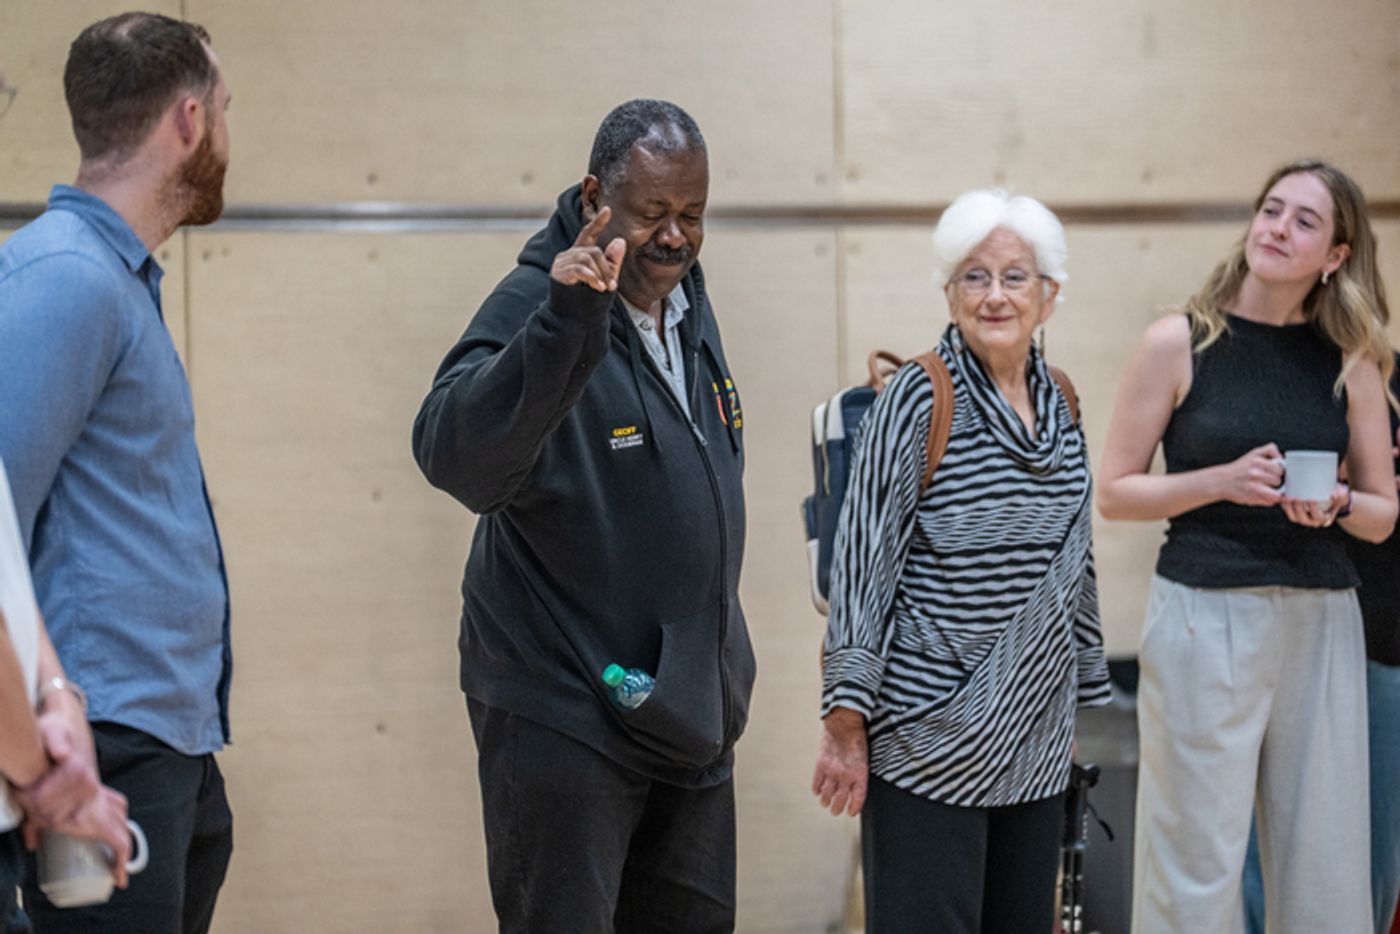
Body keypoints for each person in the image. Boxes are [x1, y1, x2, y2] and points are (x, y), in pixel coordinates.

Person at [412, 99, 755, 933]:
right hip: (565, 705)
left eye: (693, 215)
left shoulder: (682, 295)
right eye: (652, 215)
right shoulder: (542, 295)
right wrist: (564, 323)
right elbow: (453, 453)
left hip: (685, 711)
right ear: (597, 195)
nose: (675, 237)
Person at [1097, 158, 1397, 932]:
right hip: (1203, 611)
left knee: (1326, 854)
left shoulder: (1355, 359)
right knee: (1194, 852)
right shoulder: (1179, 341)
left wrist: (1334, 505)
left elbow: (1381, 513)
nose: (1277, 229)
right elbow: (1116, 490)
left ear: (1336, 256)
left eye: (1304, 221)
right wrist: (1220, 481)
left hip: (1323, 616)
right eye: (1271, 210)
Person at [811, 189, 1111, 932]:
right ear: (949, 292)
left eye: (1015, 276)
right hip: (927, 738)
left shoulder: (1064, 400)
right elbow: (862, 566)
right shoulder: (918, 397)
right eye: (974, 276)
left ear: (1051, 294)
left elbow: (1076, 563)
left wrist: (1068, 701)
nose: (995, 294)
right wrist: (846, 724)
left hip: (1033, 743)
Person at [0, 12, 236, 932]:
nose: (227, 131)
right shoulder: (65, 278)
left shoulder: (111, 275)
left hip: (158, 740)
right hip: (93, 753)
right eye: (225, 108)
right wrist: (52, 761)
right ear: (188, 121)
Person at [1243, 352, 1400, 933]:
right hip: (1282, 622)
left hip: (1382, 639)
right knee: (1271, 838)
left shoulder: (1383, 374)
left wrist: (1369, 494)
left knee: (1374, 850)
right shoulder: (1268, 372)